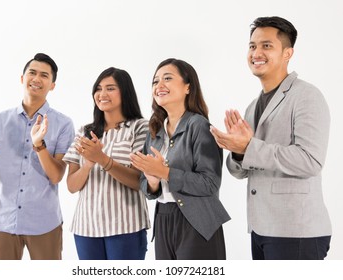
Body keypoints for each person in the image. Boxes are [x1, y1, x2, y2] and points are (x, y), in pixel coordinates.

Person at [210, 16, 332, 260]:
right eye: (252, 46)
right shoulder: (253, 106)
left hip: (296, 231)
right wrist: (238, 152)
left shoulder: (306, 96)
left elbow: (310, 161)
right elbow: (240, 171)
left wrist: (250, 146)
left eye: (267, 45)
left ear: (288, 53)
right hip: (260, 228)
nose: (256, 52)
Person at [0, 53, 75, 260]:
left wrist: (40, 146)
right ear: (22, 78)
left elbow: (56, 176)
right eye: (32, 73)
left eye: (44, 75)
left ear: (52, 85)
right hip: (3, 221)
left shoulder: (64, 124)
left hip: (44, 222)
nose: (37, 79)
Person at [130, 58, 230, 260]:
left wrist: (165, 172)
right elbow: (147, 186)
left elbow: (210, 184)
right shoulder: (154, 130)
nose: (159, 86)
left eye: (167, 78)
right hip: (164, 219)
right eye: (155, 81)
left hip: (197, 222)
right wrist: (152, 181)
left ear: (187, 87)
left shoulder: (199, 126)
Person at [63, 67, 150, 260]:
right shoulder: (84, 131)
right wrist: (87, 165)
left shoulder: (140, 127)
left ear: (125, 92)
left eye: (110, 88)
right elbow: (71, 186)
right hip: (86, 228)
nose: (102, 94)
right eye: (98, 88)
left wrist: (102, 159)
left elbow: (139, 181)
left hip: (126, 226)